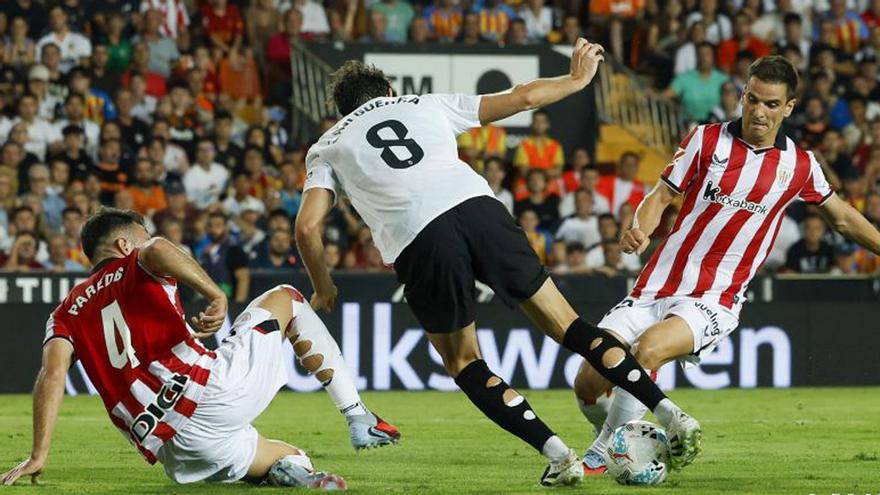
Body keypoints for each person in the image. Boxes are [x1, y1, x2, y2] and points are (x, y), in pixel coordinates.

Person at [295, 39, 702, 486]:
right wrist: (576, 80)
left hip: (419, 238)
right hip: (478, 208)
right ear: (389, 91)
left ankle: (559, 455)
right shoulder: (425, 104)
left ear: (341, 110)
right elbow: (523, 97)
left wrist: (323, 286)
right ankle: (670, 412)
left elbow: (308, 228)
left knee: (465, 362)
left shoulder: (327, 145)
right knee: (570, 326)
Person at [573, 55, 880, 475]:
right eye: (753, 100)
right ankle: (620, 442)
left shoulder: (800, 166)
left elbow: (843, 218)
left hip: (714, 299)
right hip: (654, 286)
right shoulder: (704, 140)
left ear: (789, 107)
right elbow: (661, 196)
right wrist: (640, 228)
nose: (759, 111)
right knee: (589, 378)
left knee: (647, 351)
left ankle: (605, 450)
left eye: (772, 104)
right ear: (742, 96)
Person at [1, 208, 398, 487]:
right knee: (288, 297)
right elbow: (156, 248)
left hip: (173, 446)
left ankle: (287, 473)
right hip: (206, 394)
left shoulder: (65, 311)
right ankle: (358, 415)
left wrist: (39, 453)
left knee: (292, 457)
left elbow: (51, 376)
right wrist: (215, 294)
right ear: (124, 246)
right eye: (141, 236)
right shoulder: (137, 261)